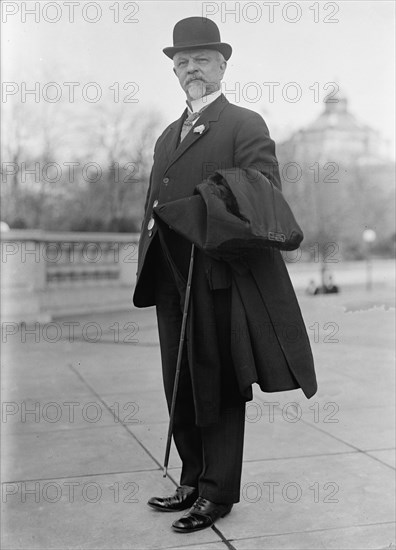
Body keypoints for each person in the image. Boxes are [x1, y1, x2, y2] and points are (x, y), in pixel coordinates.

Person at [133, 16, 317, 533]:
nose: (191, 68)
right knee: (179, 382)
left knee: (217, 384)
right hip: (170, 277)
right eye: (182, 61)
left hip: (215, 276)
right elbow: (153, 202)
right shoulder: (168, 134)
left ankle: (217, 493)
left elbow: (262, 190)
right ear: (175, 70)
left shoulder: (244, 123)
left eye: (201, 60)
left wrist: (196, 210)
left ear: (222, 65)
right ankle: (191, 479)